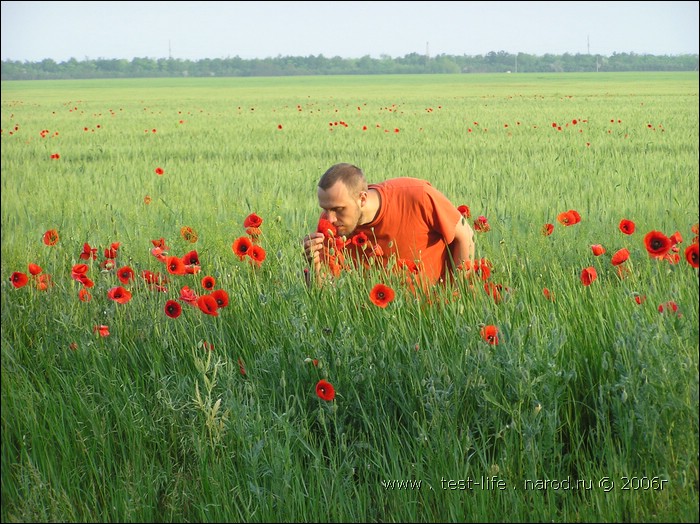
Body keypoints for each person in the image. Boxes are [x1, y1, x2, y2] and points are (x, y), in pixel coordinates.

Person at [302, 163, 475, 287]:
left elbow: (465, 236)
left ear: (362, 198)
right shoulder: (331, 226)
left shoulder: (417, 196)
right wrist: (315, 267)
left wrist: (456, 294)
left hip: (434, 315)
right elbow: (327, 293)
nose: (330, 218)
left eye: (338, 209)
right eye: (325, 209)